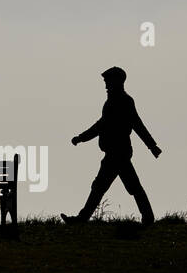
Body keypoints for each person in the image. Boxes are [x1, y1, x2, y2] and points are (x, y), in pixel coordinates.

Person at [62, 67, 161, 225]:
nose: (106, 85)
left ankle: (82, 218)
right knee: (124, 186)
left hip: (118, 153)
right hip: (116, 152)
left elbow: (136, 125)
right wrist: (81, 138)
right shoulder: (113, 102)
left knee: (104, 186)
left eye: (108, 81)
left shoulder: (123, 102)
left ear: (116, 81)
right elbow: (101, 125)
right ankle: (148, 217)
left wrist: (152, 146)